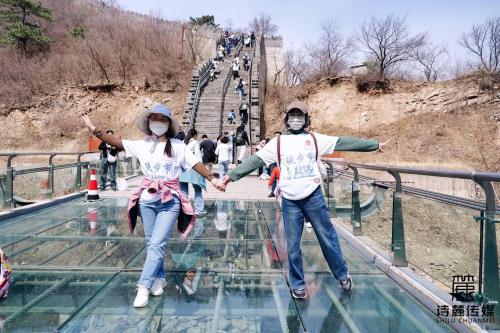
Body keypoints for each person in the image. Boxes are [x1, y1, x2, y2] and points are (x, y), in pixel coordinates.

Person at [218, 101, 388, 299]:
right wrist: (231, 177)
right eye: (292, 115)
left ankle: (342, 274)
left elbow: (343, 142)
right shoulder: (278, 142)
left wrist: (374, 145)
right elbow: (255, 161)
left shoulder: (315, 139)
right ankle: (298, 285)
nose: (296, 119)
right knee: (292, 244)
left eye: (300, 115)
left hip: (313, 196)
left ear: (306, 119)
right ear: (287, 119)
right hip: (290, 200)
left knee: (327, 238)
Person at [82, 103, 224, 308]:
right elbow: (115, 141)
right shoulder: (141, 145)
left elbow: (196, 164)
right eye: (154, 118)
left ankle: (143, 287)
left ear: (169, 124)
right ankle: (159, 278)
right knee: (151, 244)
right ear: (149, 122)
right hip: (147, 201)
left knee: (157, 244)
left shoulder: (179, 147)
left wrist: (213, 179)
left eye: (163, 119)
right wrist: (93, 128)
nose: (158, 122)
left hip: (170, 201)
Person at [179, 129, 207, 217]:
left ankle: (184, 209)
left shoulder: (182, 142)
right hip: (194, 168)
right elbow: (198, 157)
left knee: (183, 191)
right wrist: (202, 168)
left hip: (183, 169)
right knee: (198, 189)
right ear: (195, 135)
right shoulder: (195, 143)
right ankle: (199, 210)